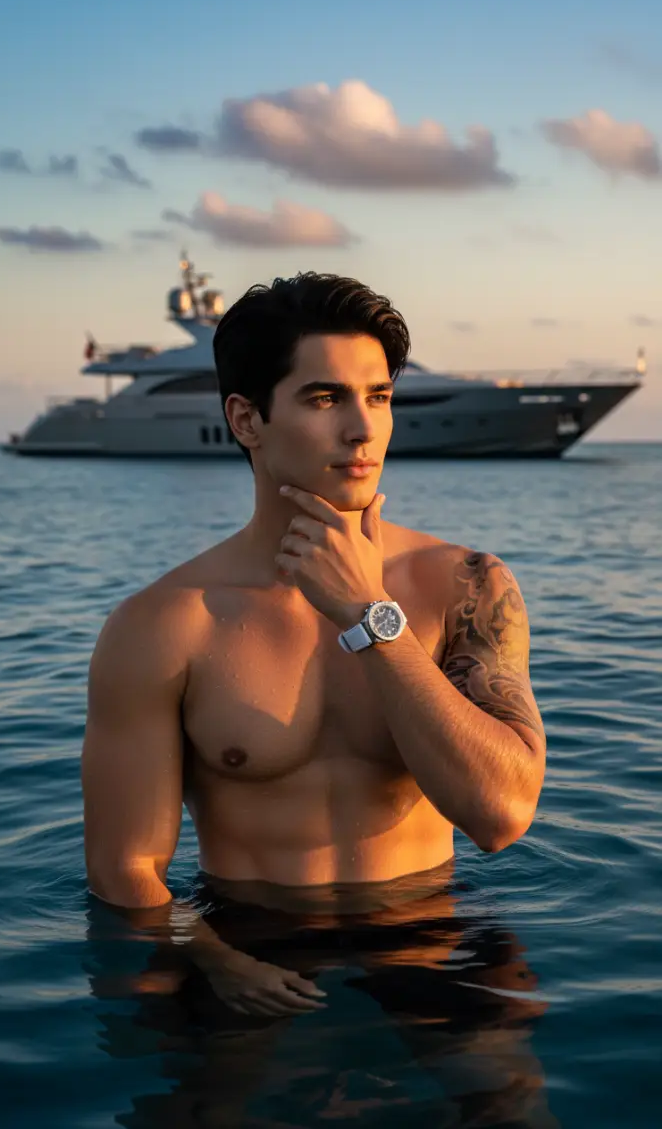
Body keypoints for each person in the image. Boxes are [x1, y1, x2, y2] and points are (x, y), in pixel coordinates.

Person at [82, 270, 546, 1022]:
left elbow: (501, 816)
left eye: (379, 397)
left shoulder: (466, 585)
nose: (362, 429)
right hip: (244, 936)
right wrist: (214, 959)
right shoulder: (163, 624)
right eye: (325, 398)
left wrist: (371, 616)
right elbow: (121, 869)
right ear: (247, 419)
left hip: (431, 932)